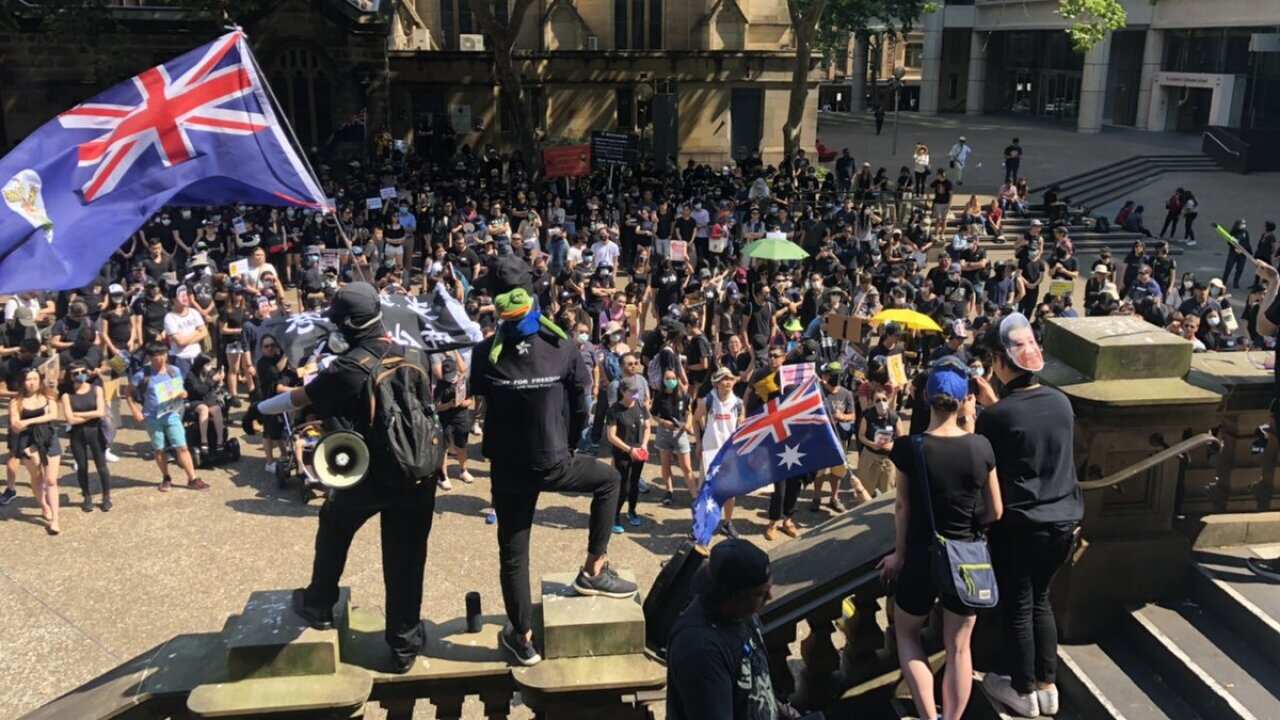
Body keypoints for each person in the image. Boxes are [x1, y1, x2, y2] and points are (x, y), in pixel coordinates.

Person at [260, 282, 439, 673]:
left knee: (333, 525)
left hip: (370, 473)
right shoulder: (415, 352)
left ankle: (320, 603)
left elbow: (298, 399)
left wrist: (261, 406)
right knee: (407, 558)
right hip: (418, 469)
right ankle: (404, 646)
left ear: (347, 324)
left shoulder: (347, 368)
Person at [469, 287, 636, 667]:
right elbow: (581, 403)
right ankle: (594, 569)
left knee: (514, 553)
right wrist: (568, 444)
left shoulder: (484, 352)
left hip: (509, 468)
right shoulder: (562, 346)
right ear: (534, 306)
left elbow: (481, 399)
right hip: (554, 458)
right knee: (609, 481)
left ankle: (522, 638)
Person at [878, 359, 1002, 720]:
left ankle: (927, 716)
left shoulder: (909, 447)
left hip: (920, 554)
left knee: (907, 635)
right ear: (964, 401)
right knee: (959, 647)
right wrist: (970, 527)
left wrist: (899, 554)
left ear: (925, 399)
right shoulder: (981, 447)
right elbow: (995, 510)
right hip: (966, 556)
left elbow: (902, 507)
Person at [975, 313, 1084, 718]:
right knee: (1042, 601)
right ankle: (1046, 685)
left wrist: (989, 409)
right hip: (1063, 522)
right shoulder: (1060, 403)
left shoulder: (996, 417)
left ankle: (1022, 689)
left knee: (1019, 605)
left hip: (1021, 526)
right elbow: (1029, 430)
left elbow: (989, 458)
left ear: (1001, 362)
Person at [666, 539, 796, 720]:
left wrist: (780, 711)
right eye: (760, 593)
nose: (770, 596)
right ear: (731, 596)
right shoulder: (700, 650)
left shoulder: (743, 614)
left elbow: (754, 687)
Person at [127, 342, 206, 492]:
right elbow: (128, 393)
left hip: (172, 414)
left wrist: (183, 393)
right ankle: (166, 477)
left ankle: (192, 478)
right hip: (152, 417)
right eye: (157, 356)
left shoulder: (174, 371)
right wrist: (135, 410)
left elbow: (181, 390)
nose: (161, 359)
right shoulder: (142, 375)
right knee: (159, 449)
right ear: (150, 358)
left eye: (163, 354)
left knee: (182, 447)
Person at [11, 367, 64, 535]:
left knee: (51, 480)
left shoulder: (48, 396)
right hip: (28, 442)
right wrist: (27, 423)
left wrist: (28, 421)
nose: (32, 382)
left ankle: (55, 520)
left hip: (48, 439)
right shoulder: (16, 401)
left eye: (35, 378)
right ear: (23, 382)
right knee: (37, 477)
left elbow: (53, 415)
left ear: (40, 380)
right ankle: (43, 505)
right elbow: (15, 424)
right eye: (28, 379)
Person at [695, 367, 746, 538]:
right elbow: (695, 420)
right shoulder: (707, 400)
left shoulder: (738, 403)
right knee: (707, 490)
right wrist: (699, 442)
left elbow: (741, 426)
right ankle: (703, 523)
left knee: (730, 491)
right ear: (716, 383)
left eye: (730, 379)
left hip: (729, 453)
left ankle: (727, 523)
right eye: (724, 379)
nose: (728, 382)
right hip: (710, 451)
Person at [62, 360, 111, 512]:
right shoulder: (67, 395)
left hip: (95, 432)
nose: (80, 375)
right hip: (77, 434)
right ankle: (87, 496)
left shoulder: (96, 389)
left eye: (83, 372)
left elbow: (101, 412)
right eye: (76, 373)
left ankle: (106, 496)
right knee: (82, 467)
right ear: (70, 376)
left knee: (101, 466)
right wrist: (90, 415)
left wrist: (78, 414)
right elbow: (70, 419)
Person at [606, 375, 651, 532]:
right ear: (623, 391)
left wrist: (644, 445)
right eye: (632, 391)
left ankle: (632, 511)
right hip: (623, 454)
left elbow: (647, 427)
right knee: (622, 486)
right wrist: (629, 450)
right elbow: (611, 436)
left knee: (634, 484)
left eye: (636, 391)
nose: (635, 394)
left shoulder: (640, 406)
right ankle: (615, 516)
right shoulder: (614, 410)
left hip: (639, 452)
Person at [654, 368, 697, 507]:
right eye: (668, 378)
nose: (670, 381)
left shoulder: (683, 395)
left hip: (680, 433)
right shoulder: (659, 396)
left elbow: (689, 412)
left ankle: (695, 495)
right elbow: (653, 414)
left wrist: (688, 424)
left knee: (686, 466)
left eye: (673, 378)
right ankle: (669, 491)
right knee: (665, 464)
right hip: (664, 433)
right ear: (663, 380)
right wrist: (662, 422)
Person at [1224, 219, 1253, 289]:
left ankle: (1236, 282)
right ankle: (1224, 281)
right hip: (1233, 253)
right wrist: (1234, 247)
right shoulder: (1233, 232)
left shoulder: (1245, 232)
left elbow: (1247, 242)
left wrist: (1247, 250)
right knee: (1228, 267)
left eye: (1244, 224)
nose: (1244, 225)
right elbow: (1229, 241)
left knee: (1240, 269)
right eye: (1242, 224)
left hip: (1242, 253)